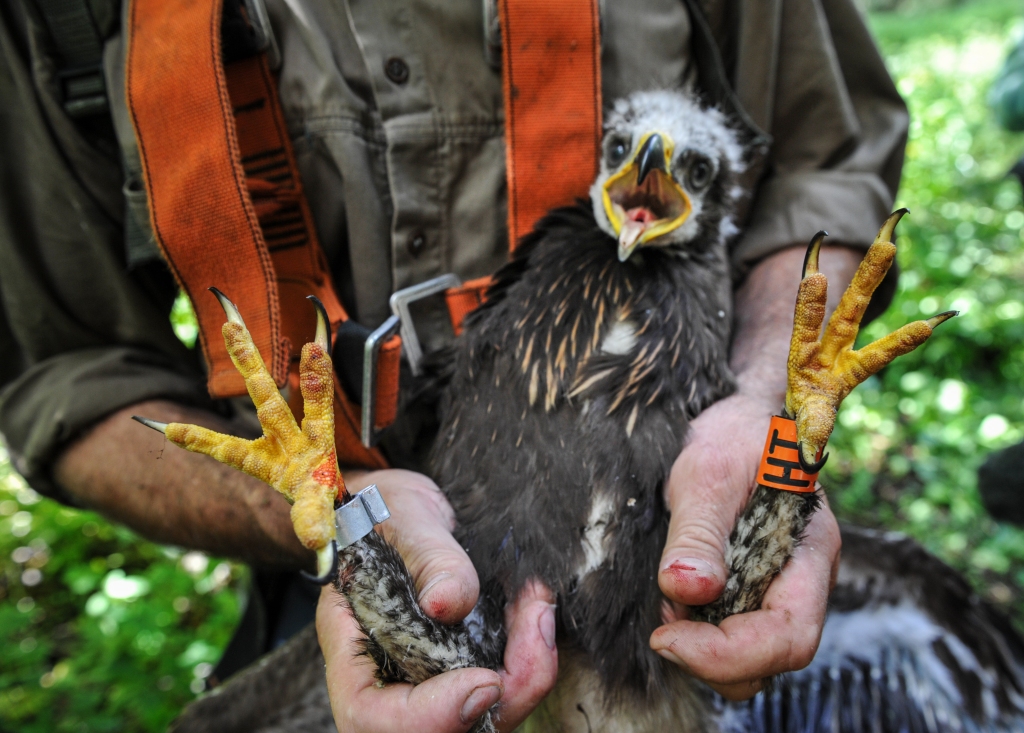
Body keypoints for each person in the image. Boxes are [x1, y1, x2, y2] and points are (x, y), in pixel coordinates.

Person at [0, 0, 907, 729]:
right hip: (364, 557)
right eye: (630, 155)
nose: (650, 171)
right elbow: (72, 377)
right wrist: (328, 511)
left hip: (685, 517)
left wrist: (768, 410)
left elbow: (822, 175)